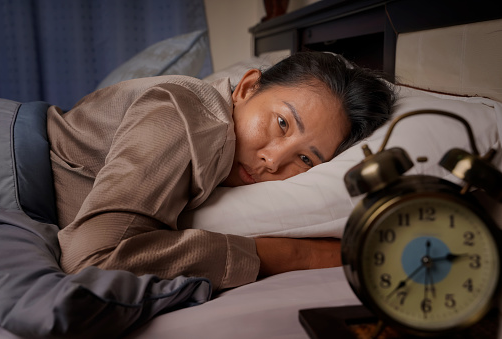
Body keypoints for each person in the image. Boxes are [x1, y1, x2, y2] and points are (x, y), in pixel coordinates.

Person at [49, 51, 395, 292]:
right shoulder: (190, 119)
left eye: (306, 160)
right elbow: (91, 263)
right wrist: (295, 255)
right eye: (281, 123)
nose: (273, 161)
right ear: (246, 88)